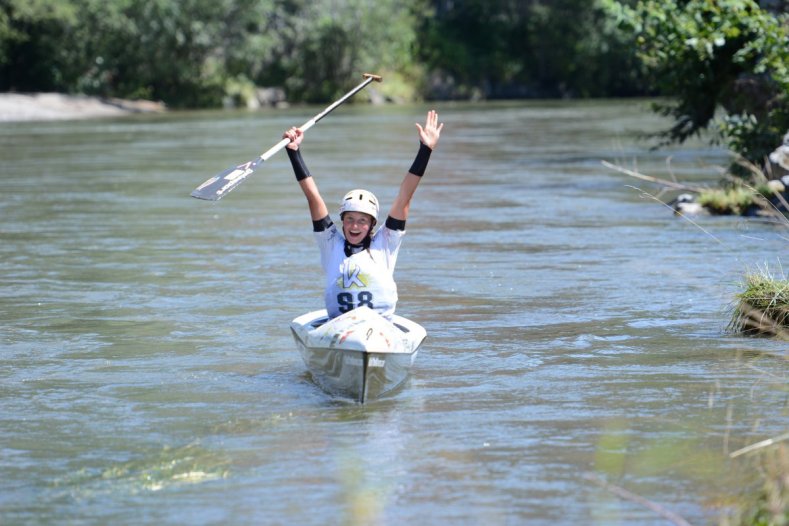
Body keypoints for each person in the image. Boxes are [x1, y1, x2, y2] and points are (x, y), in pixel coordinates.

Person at [283, 110, 443, 320]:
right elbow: (313, 198)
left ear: (372, 224)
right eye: (349, 219)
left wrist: (426, 150)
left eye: (362, 221)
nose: (355, 226)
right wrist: (294, 152)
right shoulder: (331, 244)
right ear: (342, 221)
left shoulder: (385, 243)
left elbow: (405, 196)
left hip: (380, 326)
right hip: (338, 326)